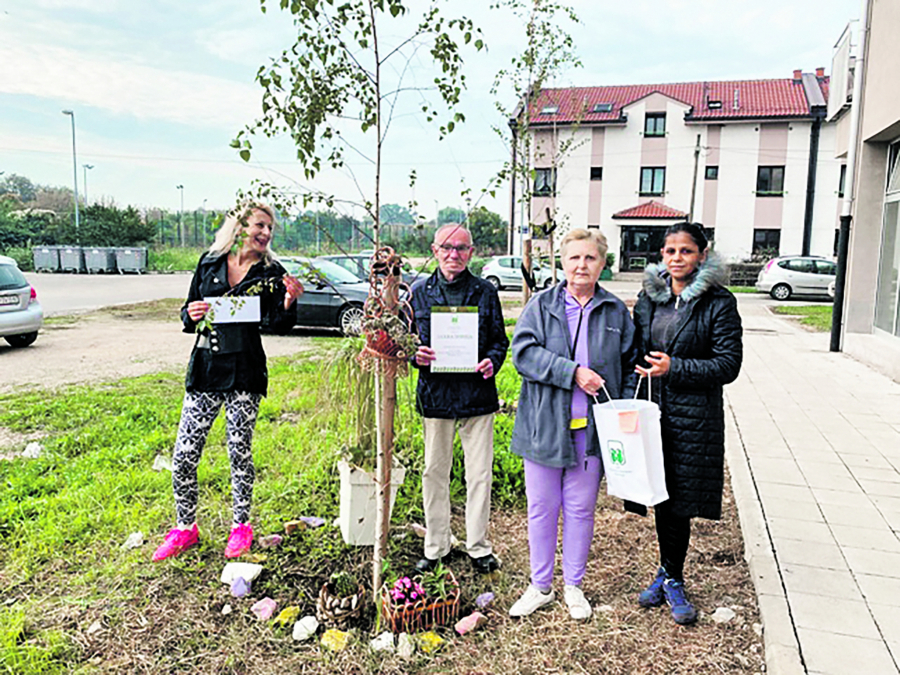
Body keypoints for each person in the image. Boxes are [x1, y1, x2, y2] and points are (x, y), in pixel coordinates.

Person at [153, 202, 304, 562]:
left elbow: (278, 324)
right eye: (260, 225)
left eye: (270, 228)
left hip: (245, 371)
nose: (266, 233)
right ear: (240, 227)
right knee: (184, 453)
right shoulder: (209, 263)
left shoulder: (271, 272)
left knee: (239, 451)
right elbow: (188, 312)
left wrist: (288, 300)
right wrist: (190, 314)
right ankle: (185, 528)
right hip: (206, 368)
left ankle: (241, 526)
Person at [508, 228, 637, 620]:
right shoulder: (542, 305)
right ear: (562, 262)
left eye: (590, 258)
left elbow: (629, 365)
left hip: (592, 430)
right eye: (574, 258)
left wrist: (623, 412)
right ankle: (540, 586)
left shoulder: (615, 311)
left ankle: (573, 586)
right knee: (541, 508)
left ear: (602, 263)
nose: (582, 265)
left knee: (581, 510)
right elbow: (523, 354)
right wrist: (572, 372)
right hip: (544, 426)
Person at [632, 221, 742, 624]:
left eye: (686, 251)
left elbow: (728, 364)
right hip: (651, 410)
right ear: (662, 255)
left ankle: (673, 577)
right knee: (660, 495)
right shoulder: (649, 298)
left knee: (679, 499)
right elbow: (635, 349)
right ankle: (666, 571)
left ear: (702, 254)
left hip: (692, 417)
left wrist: (675, 367)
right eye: (670, 251)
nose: (677, 258)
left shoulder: (719, 302)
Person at [410, 223, 509, 575]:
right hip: (435, 395)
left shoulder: (485, 292)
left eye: (462, 248)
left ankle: (479, 546)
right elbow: (406, 342)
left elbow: (499, 340)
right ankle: (436, 546)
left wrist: (492, 361)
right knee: (434, 472)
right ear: (434, 250)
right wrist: (415, 356)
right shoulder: (418, 293)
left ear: (472, 252)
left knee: (479, 474)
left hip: (477, 395)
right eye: (447, 247)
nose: (454, 254)